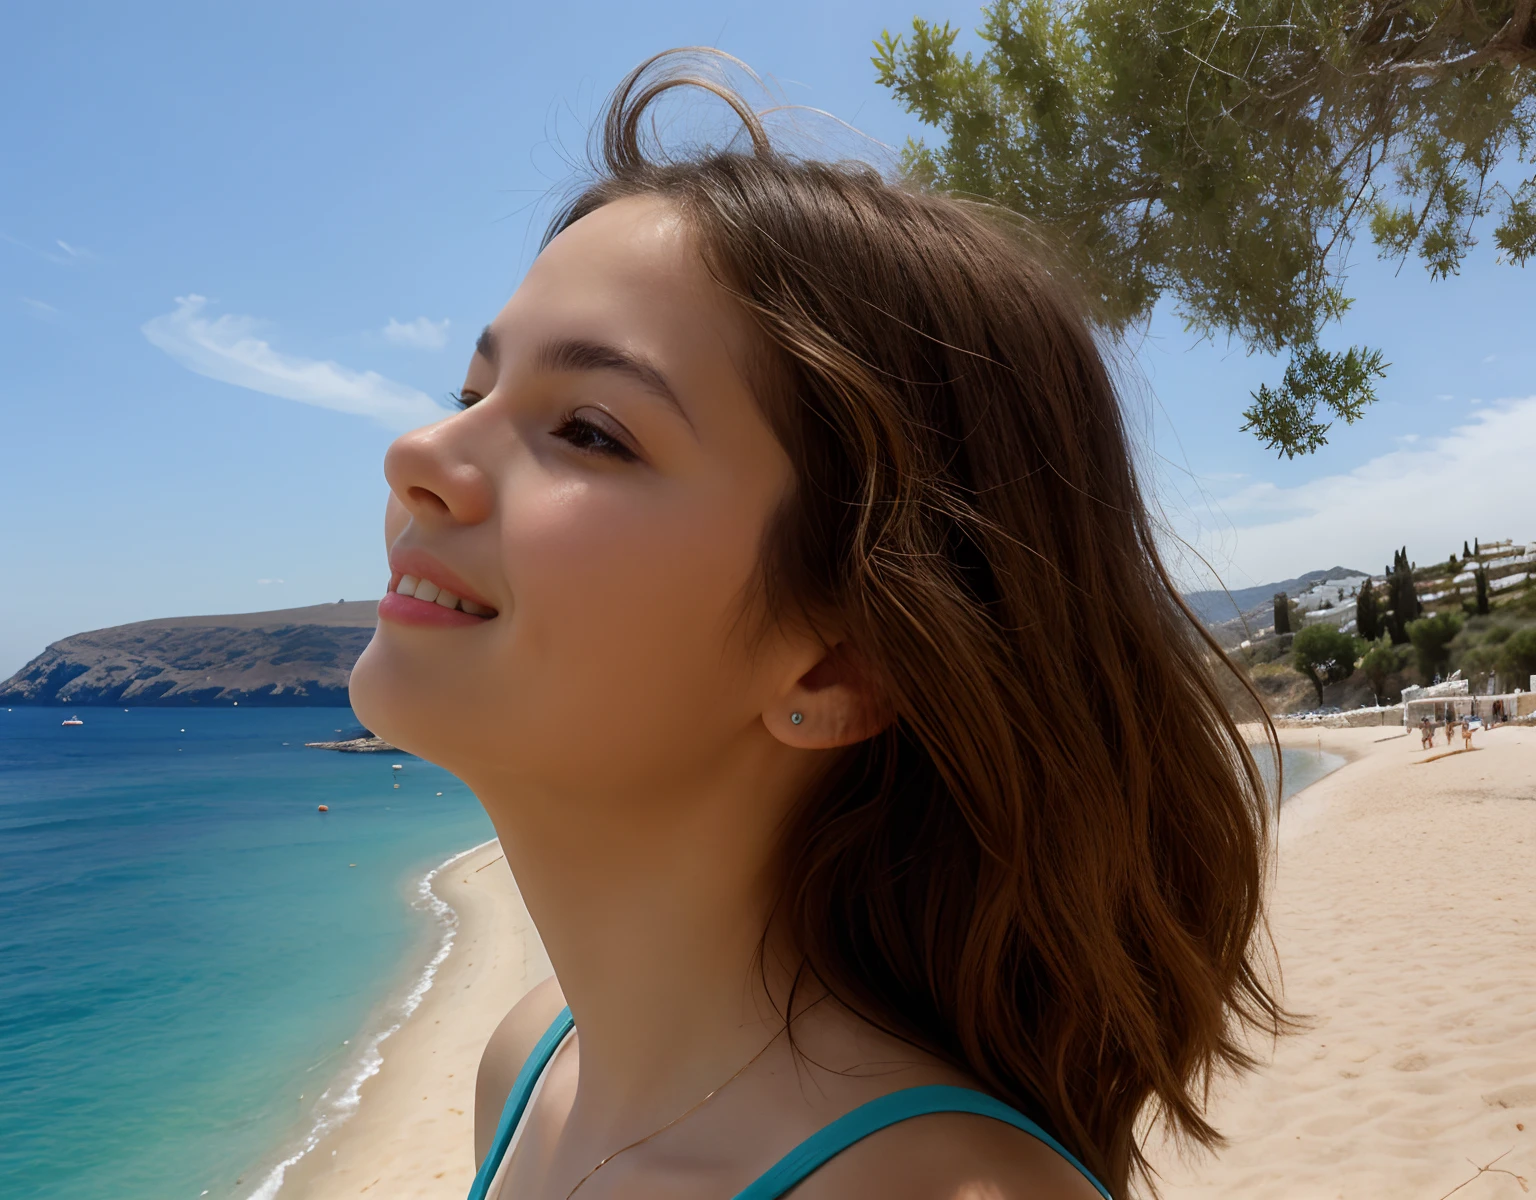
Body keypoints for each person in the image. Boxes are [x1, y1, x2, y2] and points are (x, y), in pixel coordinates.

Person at [349, 50, 1284, 1200]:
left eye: (589, 429)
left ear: (839, 660)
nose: (419, 455)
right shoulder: (532, 1069)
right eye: (473, 395)